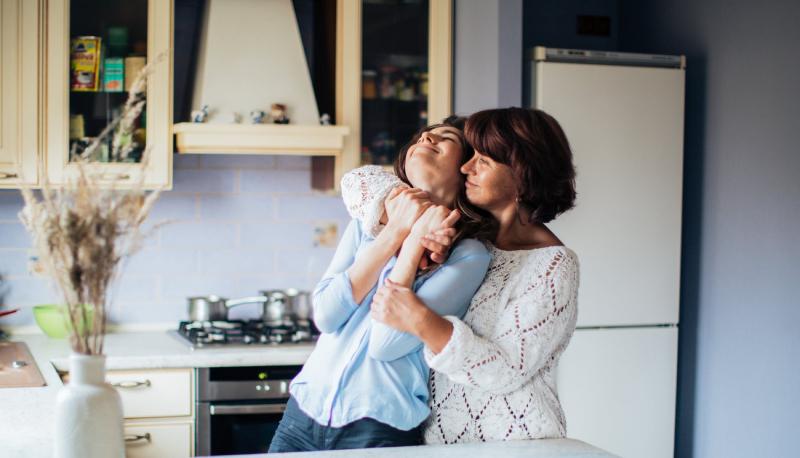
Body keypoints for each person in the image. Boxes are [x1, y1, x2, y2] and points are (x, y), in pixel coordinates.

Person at [347, 107, 580, 444]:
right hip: (439, 442)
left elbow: (507, 370)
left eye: (483, 161)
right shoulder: (465, 236)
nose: (466, 167)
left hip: (516, 444)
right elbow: (360, 181)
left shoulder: (553, 265)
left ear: (522, 174)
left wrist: (422, 320)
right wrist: (406, 219)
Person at [268, 116, 495, 453]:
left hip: (379, 428)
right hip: (302, 415)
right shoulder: (365, 226)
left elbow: (385, 343)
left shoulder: (468, 256)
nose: (428, 137)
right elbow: (326, 316)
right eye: (423, 134)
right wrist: (394, 233)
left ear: (465, 169)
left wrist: (414, 241)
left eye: (445, 137)